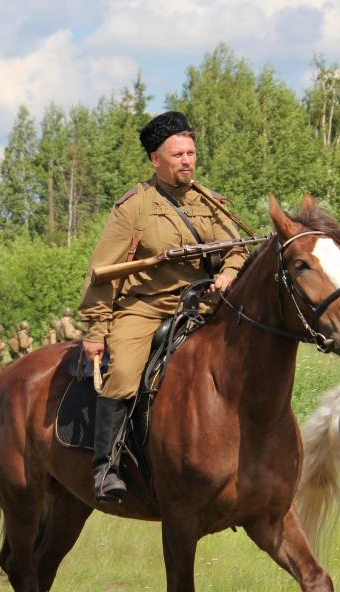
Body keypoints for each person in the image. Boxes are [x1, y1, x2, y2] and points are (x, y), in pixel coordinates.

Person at [78, 111, 248, 502]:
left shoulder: (211, 202)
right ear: (156, 159)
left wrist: (229, 274)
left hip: (204, 306)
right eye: (178, 154)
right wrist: (96, 330)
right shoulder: (134, 207)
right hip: (147, 307)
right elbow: (102, 272)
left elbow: (237, 250)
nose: (187, 160)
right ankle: (106, 467)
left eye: (191, 153)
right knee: (122, 371)